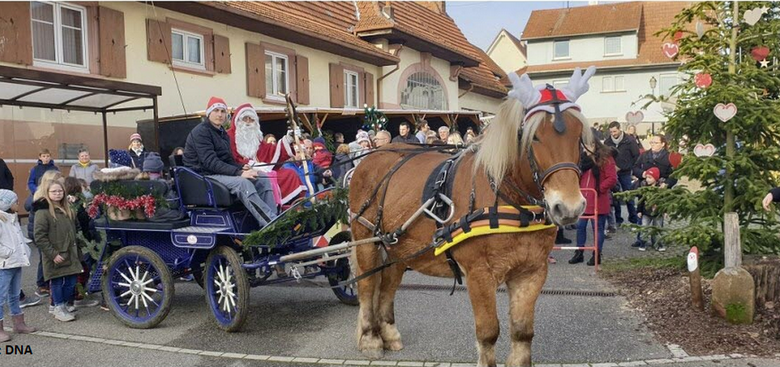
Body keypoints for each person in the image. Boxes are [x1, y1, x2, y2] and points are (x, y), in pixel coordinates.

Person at [184, 97, 278, 227]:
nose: (220, 114)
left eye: (223, 111)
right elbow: (210, 162)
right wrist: (238, 172)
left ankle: (274, 216)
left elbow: (227, 159)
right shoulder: (201, 132)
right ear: (209, 113)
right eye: (216, 110)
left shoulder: (222, 133)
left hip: (218, 173)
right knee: (243, 184)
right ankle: (270, 223)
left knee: (262, 177)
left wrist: (242, 167)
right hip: (203, 176)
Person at [226, 103, 306, 205]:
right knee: (266, 179)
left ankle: (291, 207)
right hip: (243, 173)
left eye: (251, 119)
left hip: (262, 171)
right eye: (245, 119)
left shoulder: (256, 138)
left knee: (290, 174)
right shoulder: (229, 136)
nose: (248, 122)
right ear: (237, 121)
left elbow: (269, 151)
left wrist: (288, 139)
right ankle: (274, 209)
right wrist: (250, 165)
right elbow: (230, 158)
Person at [34, 180, 83, 322]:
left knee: (71, 282)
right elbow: (40, 236)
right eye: (54, 191)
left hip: (71, 253)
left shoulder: (69, 210)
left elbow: (76, 230)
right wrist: (53, 254)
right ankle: (58, 307)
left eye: (60, 191)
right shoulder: (43, 212)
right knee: (57, 282)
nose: (57, 194)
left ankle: (64, 305)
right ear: (47, 193)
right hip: (56, 254)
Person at [569, 140, 618, 266]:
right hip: (583, 199)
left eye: (588, 146)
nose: (585, 149)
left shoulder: (606, 159)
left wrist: (600, 189)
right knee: (580, 227)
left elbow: (612, 178)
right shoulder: (582, 160)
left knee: (598, 228)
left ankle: (596, 254)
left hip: (598, 199)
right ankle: (579, 252)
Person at [0, 189, 37, 341]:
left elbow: (18, 239)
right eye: (15, 201)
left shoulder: (12, 218)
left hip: (16, 263)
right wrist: (8, 252)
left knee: (14, 295)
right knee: (0, 297)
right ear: (7, 204)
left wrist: (25, 250)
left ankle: (19, 324)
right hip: (5, 264)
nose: (18, 203)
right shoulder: (1, 221)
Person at [27, 170, 64, 297]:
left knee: (44, 257)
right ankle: (42, 284)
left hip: (40, 231)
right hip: (40, 232)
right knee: (45, 258)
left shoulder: (44, 194)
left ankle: (43, 283)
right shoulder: (42, 199)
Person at [604, 121, 640, 225]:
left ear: (620, 129)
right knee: (615, 197)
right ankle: (618, 219)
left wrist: (624, 167)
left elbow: (636, 156)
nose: (613, 134)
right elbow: (605, 157)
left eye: (615, 131)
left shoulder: (630, 140)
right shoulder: (607, 142)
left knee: (628, 196)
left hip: (625, 173)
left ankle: (633, 218)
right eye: (611, 132)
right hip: (613, 173)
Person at [634, 167, 666, 252]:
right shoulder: (644, 187)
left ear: (655, 178)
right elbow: (641, 200)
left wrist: (665, 211)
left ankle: (658, 243)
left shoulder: (661, 188)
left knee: (658, 228)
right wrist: (639, 211)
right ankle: (643, 242)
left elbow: (664, 200)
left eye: (650, 177)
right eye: (647, 177)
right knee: (644, 227)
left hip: (658, 212)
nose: (647, 179)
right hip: (646, 212)